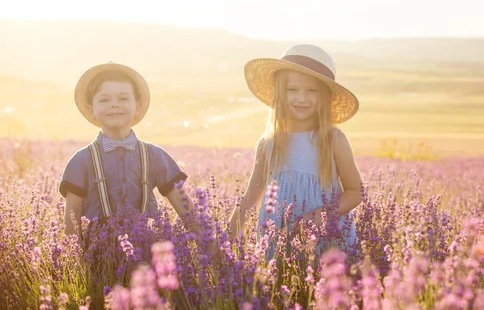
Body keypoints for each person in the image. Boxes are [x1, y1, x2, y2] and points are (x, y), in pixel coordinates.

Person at [229, 44, 362, 254]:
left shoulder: (332, 139)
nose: (301, 98)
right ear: (280, 93)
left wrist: (317, 217)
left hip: (327, 239)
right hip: (278, 238)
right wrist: (224, 241)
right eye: (293, 90)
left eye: (312, 91)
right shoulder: (268, 143)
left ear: (325, 97)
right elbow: (250, 197)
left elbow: (355, 192)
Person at [59, 62, 196, 236]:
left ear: (137, 107)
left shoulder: (155, 156)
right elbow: (71, 220)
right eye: (104, 100)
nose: (114, 105)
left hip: (148, 250)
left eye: (123, 99)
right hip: (97, 256)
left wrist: (209, 246)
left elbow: (185, 208)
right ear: (91, 110)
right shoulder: (81, 160)